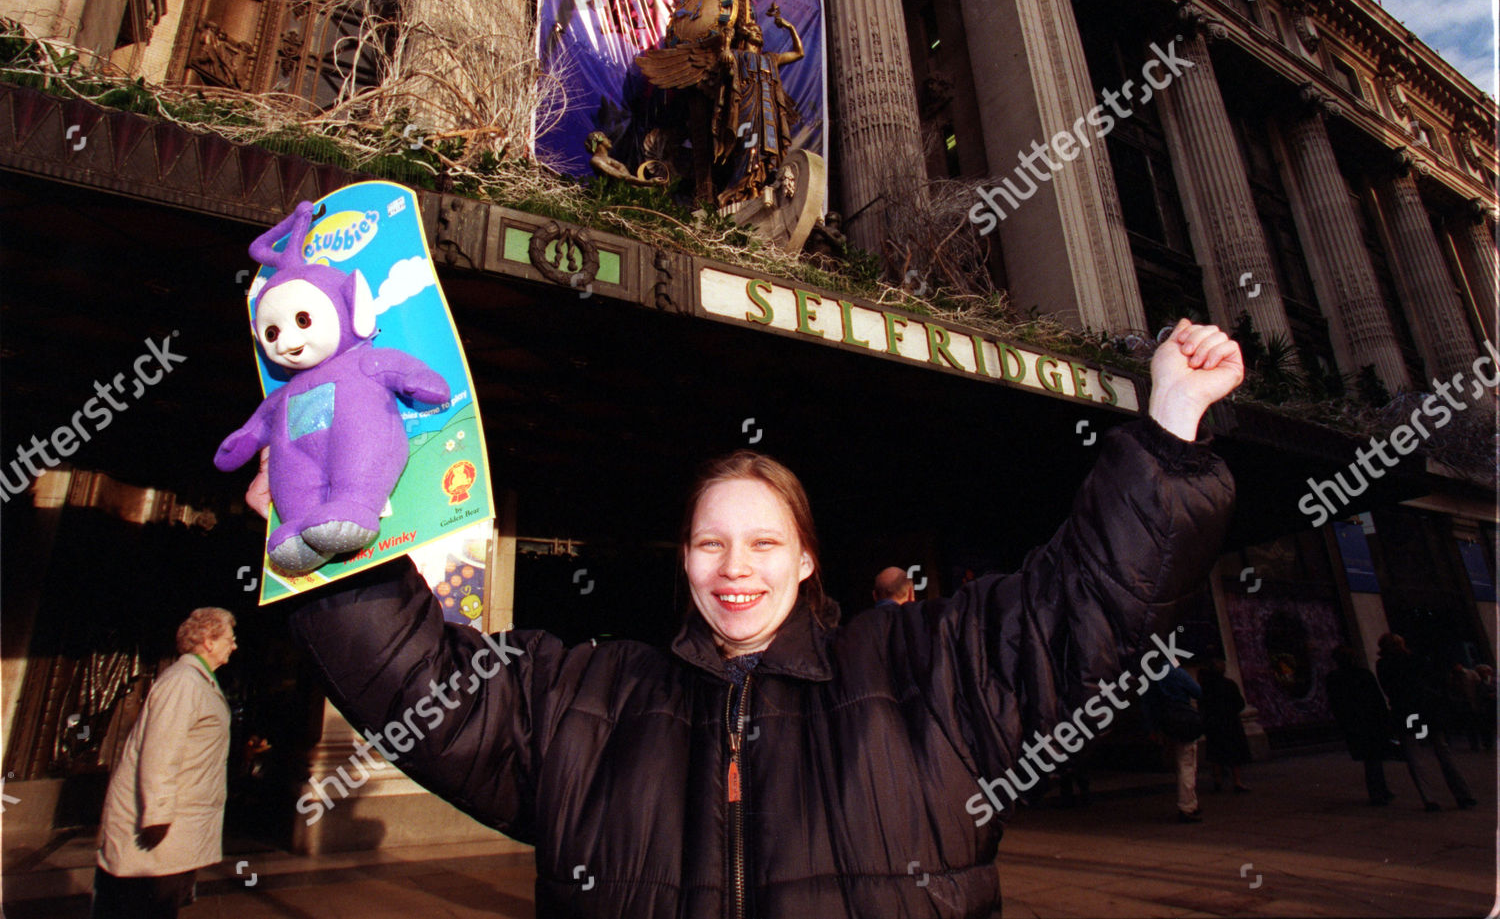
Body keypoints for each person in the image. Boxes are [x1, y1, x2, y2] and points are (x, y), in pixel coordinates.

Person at [260, 319, 1240, 917]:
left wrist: (1170, 429)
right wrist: (327, 551)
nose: (736, 569)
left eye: (765, 543)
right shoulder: (586, 698)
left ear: (807, 557)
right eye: (711, 543)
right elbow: (429, 693)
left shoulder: (926, 672)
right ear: (683, 559)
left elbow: (1086, 605)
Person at [92, 608, 237, 919]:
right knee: (144, 905)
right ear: (208, 642)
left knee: (158, 904)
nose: (234, 646)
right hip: (162, 828)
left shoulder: (197, 680)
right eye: (229, 638)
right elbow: (161, 749)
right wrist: (157, 814)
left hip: (176, 826)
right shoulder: (184, 682)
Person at [1376, 632, 1476, 811]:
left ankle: (1428, 798)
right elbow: (1433, 679)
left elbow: (1388, 688)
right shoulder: (1414, 659)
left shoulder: (1383, 664)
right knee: (1442, 750)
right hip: (1427, 710)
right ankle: (1463, 795)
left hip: (1406, 712)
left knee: (1414, 754)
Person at [1325, 645, 1397, 805]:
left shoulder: (1333, 678)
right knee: (1373, 757)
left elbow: (1335, 703)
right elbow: (1377, 700)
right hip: (1370, 721)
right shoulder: (1363, 675)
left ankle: (1379, 790)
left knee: (1370, 757)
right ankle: (1378, 791)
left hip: (1353, 723)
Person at [1142, 662, 1205, 822]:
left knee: (1178, 763)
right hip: (1183, 720)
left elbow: (1148, 705)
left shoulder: (1151, 675)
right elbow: (1198, 692)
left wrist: (1152, 730)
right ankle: (1187, 806)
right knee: (1187, 763)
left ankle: (1191, 801)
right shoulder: (1177, 672)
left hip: (1166, 723)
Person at [1197, 659, 1251, 793]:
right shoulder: (1229, 684)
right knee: (1234, 754)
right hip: (1231, 722)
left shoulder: (1206, 687)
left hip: (1214, 724)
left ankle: (1218, 780)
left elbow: (1202, 705)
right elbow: (1240, 703)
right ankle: (1237, 781)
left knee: (1216, 754)